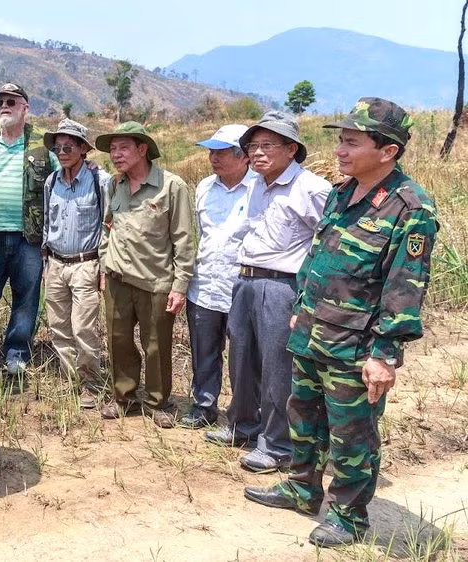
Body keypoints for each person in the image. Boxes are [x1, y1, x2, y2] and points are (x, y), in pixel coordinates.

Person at [245, 98, 438, 548]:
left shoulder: (410, 209)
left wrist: (385, 355)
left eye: (352, 142)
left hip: (355, 346)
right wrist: (301, 304)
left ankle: (350, 517)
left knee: (352, 433)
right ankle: (301, 487)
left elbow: (405, 289)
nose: (340, 150)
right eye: (340, 141)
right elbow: (318, 254)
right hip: (312, 329)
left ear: (387, 151)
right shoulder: (341, 191)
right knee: (303, 416)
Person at [204, 111, 331, 473]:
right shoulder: (258, 184)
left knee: (278, 368)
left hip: (280, 285)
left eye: (267, 146)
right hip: (245, 279)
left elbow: (326, 244)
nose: (257, 153)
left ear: (291, 149)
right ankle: (242, 425)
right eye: (252, 146)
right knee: (241, 358)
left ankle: (277, 445)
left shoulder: (311, 189)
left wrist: (308, 295)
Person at [95, 122, 194, 428]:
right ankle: (123, 398)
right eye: (112, 149)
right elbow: (108, 227)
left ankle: (156, 401)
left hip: (155, 281)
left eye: (123, 147)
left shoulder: (171, 186)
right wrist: (103, 264)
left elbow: (183, 238)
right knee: (118, 341)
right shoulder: (116, 185)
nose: (116, 154)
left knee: (156, 345)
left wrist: (180, 285)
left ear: (142, 150)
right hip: (117, 279)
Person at [0, 83, 58, 375]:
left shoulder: (43, 145)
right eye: (0, 102)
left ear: (25, 109)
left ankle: (16, 354)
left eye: (11, 102)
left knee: (26, 298)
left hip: (28, 238)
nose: (4, 106)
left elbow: (65, 176)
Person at [178, 124, 252, 429]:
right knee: (204, 352)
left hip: (242, 286)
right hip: (205, 283)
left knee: (244, 356)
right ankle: (204, 405)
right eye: (211, 151)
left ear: (243, 155)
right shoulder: (204, 187)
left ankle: (244, 413)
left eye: (221, 152)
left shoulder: (261, 188)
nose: (213, 157)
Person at [41, 118, 110, 409]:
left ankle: (90, 384)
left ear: (83, 148)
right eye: (58, 146)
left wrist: (103, 268)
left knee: (83, 327)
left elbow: (109, 225)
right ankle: (72, 382)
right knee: (58, 328)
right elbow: (47, 221)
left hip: (86, 263)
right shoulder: (51, 181)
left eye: (69, 145)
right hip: (55, 263)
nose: (63, 150)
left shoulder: (100, 181)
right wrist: (46, 261)